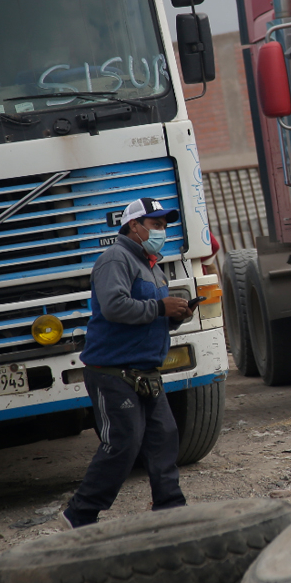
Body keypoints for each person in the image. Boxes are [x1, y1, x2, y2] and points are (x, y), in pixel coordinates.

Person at [62, 197, 194, 528]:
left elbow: (152, 315)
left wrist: (175, 315)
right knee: (123, 444)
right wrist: (162, 309)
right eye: (156, 225)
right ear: (134, 226)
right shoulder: (114, 260)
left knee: (164, 437)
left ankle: (171, 509)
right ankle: (79, 515)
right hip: (113, 372)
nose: (162, 231)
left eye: (164, 226)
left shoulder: (152, 265)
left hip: (145, 371)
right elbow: (115, 307)